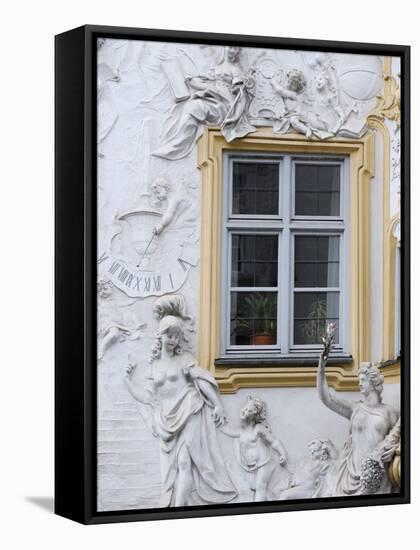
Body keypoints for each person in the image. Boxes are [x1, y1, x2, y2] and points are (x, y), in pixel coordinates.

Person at [124, 312, 237, 507]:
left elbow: (200, 379)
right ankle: (172, 505)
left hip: (189, 407)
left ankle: (178, 508)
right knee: (170, 468)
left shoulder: (184, 358)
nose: (173, 340)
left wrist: (217, 404)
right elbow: (147, 398)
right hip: (166, 418)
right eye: (169, 335)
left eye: (176, 336)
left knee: (185, 462)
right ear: (160, 335)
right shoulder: (154, 366)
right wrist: (127, 380)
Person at [317, 324, 400, 495]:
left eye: (363, 379)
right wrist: (321, 366)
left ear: (374, 382)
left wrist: (391, 450)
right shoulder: (355, 408)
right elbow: (327, 398)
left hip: (376, 475)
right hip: (350, 472)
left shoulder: (390, 413)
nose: (359, 383)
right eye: (359, 379)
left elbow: (398, 443)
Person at [153, 46, 255, 160]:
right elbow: (205, 85)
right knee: (190, 107)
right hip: (214, 99)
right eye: (231, 48)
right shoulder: (217, 68)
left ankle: (177, 146)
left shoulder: (235, 70)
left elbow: (241, 96)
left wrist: (235, 117)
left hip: (225, 106)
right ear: (224, 48)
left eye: (237, 50)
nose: (234, 51)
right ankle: (176, 143)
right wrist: (191, 81)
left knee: (194, 107)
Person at [221, 395, 288, 501]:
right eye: (245, 408)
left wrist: (282, 453)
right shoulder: (240, 432)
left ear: (255, 415)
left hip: (264, 462)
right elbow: (226, 430)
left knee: (260, 485)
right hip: (250, 466)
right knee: (255, 487)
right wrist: (218, 417)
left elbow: (274, 441)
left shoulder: (258, 429)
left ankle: (259, 509)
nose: (244, 410)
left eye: (248, 410)